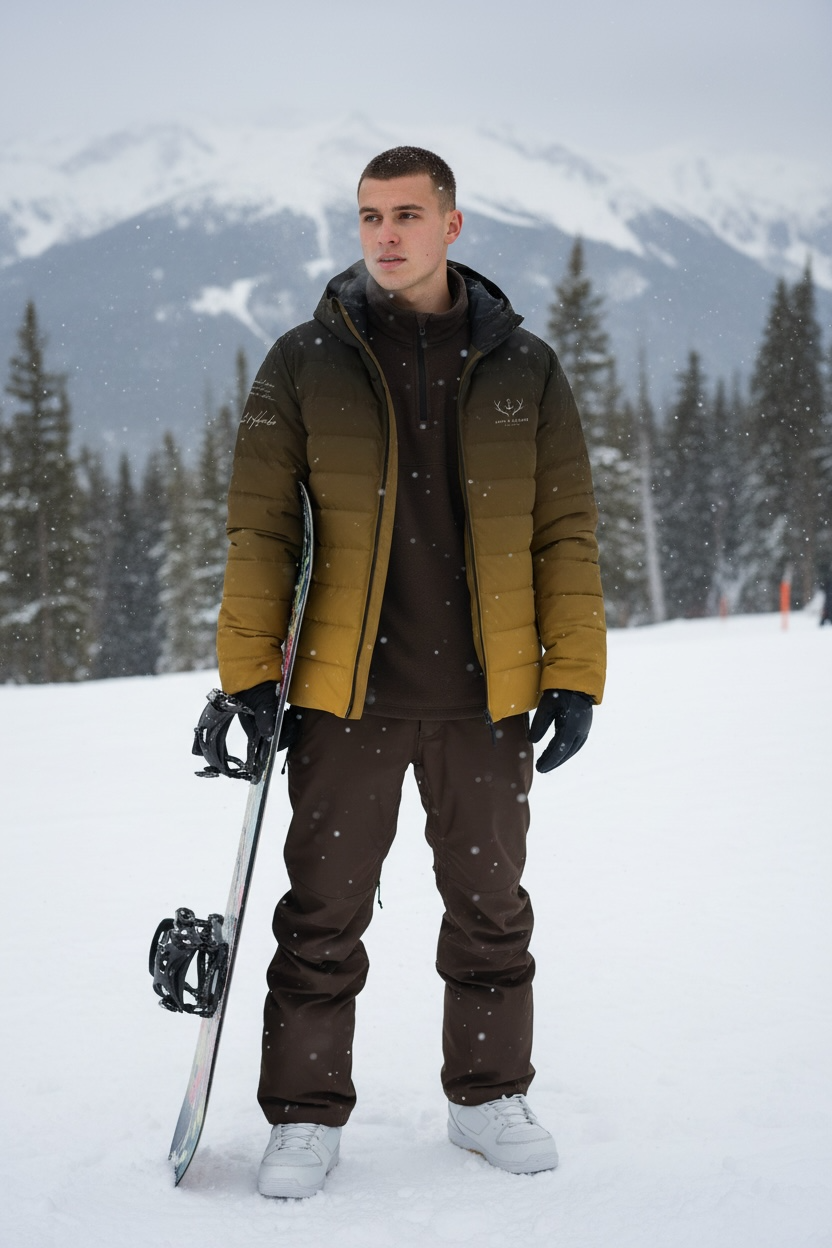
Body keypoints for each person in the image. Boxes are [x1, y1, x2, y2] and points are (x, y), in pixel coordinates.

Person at [216, 146, 606, 1198]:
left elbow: (564, 529)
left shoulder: (524, 366)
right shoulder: (305, 359)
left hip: (485, 696)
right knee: (322, 912)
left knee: (490, 907)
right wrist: (248, 670)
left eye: (404, 214)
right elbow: (259, 528)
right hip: (346, 698)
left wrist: (573, 674)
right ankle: (302, 1115)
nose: (383, 234)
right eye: (366, 217)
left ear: (451, 225)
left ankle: (485, 1097)